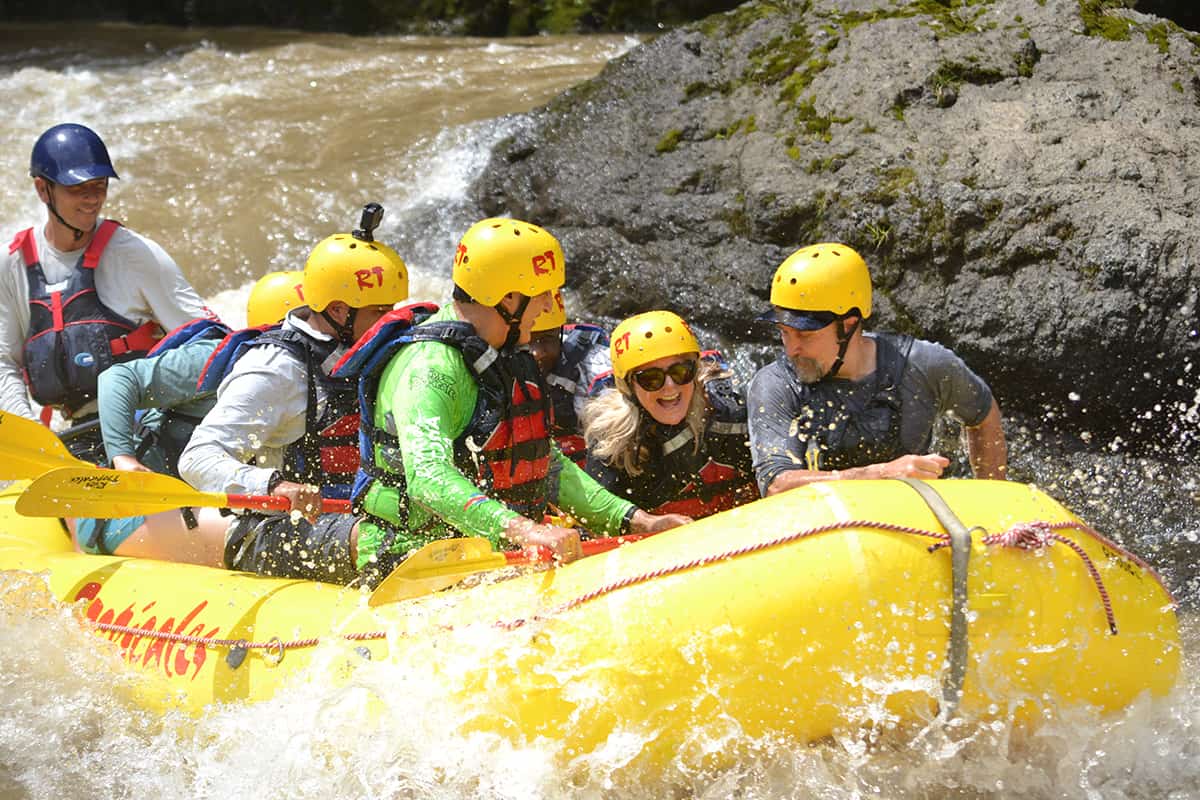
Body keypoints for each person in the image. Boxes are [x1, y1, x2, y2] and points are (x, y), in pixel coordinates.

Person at [335, 217, 690, 585]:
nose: (548, 306)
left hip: (496, 553)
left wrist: (635, 520)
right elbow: (428, 478)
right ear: (508, 298)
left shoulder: (502, 355)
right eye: (542, 294)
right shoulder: (430, 369)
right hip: (413, 557)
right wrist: (525, 530)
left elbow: (545, 465)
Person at [174, 207, 413, 581]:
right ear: (338, 310)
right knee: (378, 541)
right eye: (379, 311)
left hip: (353, 517)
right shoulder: (276, 368)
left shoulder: (368, 353)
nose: (390, 322)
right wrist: (275, 485)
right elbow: (197, 458)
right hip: (273, 530)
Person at [0, 123, 211, 463]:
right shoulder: (11, 264)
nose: (92, 198)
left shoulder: (135, 254)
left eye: (99, 186)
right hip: (79, 432)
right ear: (42, 189)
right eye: (77, 188)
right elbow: (3, 363)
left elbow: (211, 342)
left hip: (148, 421)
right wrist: (32, 442)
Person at [746, 242, 1007, 496]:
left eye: (805, 335)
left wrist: (992, 498)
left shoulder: (924, 364)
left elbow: (983, 415)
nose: (791, 349)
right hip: (825, 519)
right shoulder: (776, 384)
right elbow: (776, 485)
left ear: (848, 325)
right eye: (784, 332)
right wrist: (880, 474)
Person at [96, 271, 302, 478]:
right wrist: (123, 458)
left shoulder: (306, 380)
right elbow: (117, 379)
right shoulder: (214, 359)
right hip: (145, 474)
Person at [581, 311, 757, 518]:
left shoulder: (729, 411)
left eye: (680, 371)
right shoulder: (612, 444)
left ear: (695, 372)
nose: (670, 386)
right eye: (651, 378)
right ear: (628, 386)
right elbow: (594, 521)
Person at [527, 288, 613, 467]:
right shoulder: (488, 359)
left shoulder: (596, 368)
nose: (536, 352)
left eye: (546, 339)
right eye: (527, 340)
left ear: (559, 335)